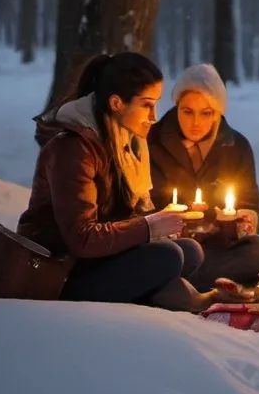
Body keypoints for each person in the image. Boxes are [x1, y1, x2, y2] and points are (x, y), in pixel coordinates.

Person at [18, 52, 221, 312]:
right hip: (60, 274)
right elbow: (82, 238)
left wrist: (161, 222)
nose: (154, 116)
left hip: (97, 261)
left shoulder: (124, 142)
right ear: (116, 103)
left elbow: (119, 217)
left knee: (190, 250)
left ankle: (168, 293)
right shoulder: (73, 149)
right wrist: (148, 227)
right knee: (168, 257)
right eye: (147, 104)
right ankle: (171, 295)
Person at [148, 64, 259, 290]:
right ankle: (187, 284)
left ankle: (176, 286)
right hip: (168, 248)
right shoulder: (151, 142)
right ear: (177, 106)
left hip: (216, 250)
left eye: (206, 113)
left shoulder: (236, 147)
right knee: (166, 257)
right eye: (187, 111)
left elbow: (252, 205)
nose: (196, 122)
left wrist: (246, 220)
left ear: (218, 112)